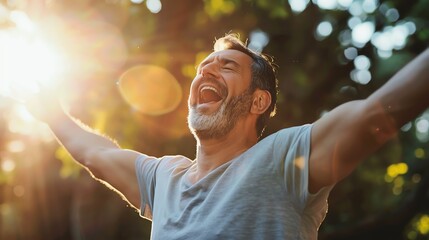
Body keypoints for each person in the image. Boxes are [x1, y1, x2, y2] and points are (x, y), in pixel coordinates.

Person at [25, 34, 429, 239]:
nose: (206, 71)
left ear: (258, 102)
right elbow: (95, 153)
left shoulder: (284, 159)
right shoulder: (163, 178)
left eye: (227, 66)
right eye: (204, 67)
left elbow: (379, 111)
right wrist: (52, 115)